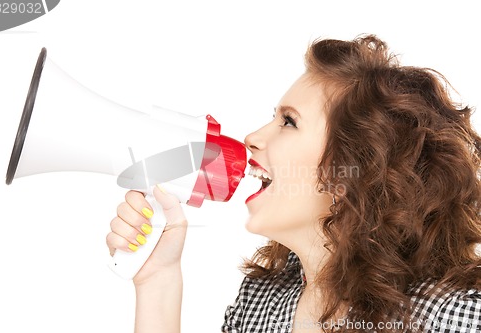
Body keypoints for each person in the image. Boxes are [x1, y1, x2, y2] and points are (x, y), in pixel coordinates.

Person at [106, 35, 481, 332]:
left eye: (289, 122)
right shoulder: (263, 300)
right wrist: (159, 281)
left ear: (355, 170)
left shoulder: (454, 317)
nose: (251, 137)